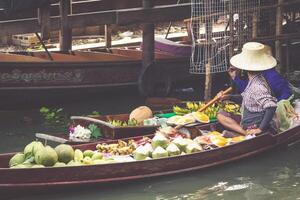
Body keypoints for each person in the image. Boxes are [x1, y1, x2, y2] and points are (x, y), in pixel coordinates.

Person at [217, 42, 278, 135]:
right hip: (248, 118)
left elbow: (271, 106)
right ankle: (244, 132)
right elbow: (247, 97)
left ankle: (246, 133)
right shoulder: (255, 79)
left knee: (222, 118)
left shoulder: (257, 86)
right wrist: (227, 97)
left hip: (254, 124)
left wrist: (260, 129)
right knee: (221, 114)